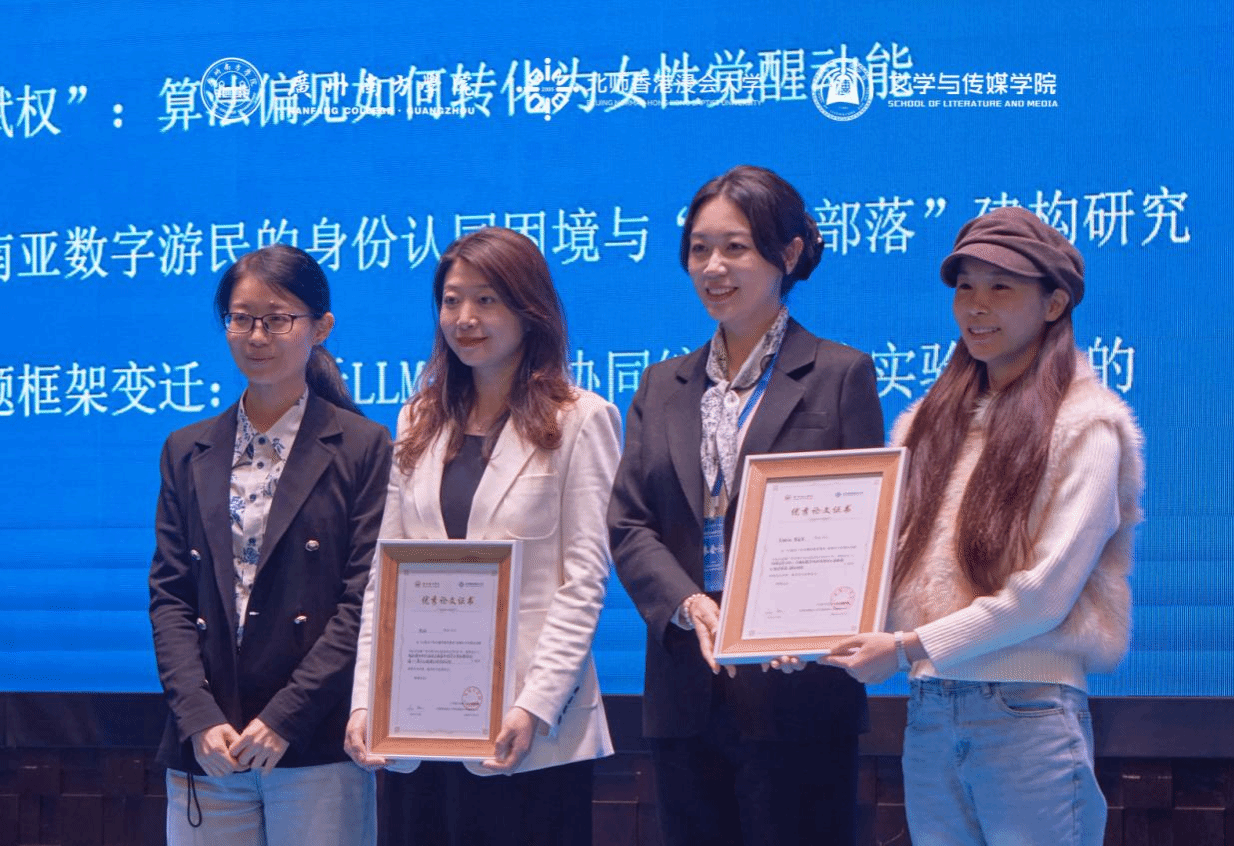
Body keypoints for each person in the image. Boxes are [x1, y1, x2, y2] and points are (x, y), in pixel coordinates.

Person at [824, 206, 1145, 845]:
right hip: (931, 710)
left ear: (1055, 303)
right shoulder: (923, 426)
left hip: (1028, 710)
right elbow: (882, 565)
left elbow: (1044, 597)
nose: (977, 305)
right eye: (965, 287)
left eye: (1001, 287)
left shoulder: (1087, 426)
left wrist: (906, 648)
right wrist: (803, 633)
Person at [608, 165, 884, 846]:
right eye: (699, 249)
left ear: (788, 253)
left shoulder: (838, 374)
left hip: (798, 689)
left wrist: (811, 623)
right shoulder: (662, 386)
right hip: (685, 684)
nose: (713, 268)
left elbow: (861, 522)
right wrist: (687, 603)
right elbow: (630, 522)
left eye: (736, 248)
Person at [344, 227, 620, 846]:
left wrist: (534, 705)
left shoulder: (581, 419)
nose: (465, 318)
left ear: (529, 309)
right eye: (451, 300)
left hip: (529, 732)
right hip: (418, 721)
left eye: (487, 300)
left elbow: (584, 582)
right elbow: (384, 581)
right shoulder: (418, 419)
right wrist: (367, 702)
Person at [149, 243, 392, 845]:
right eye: (241, 318)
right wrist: (197, 716)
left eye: (278, 319)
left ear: (320, 328)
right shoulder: (188, 449)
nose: (257, 336)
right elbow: (171, 597)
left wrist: (285, 718)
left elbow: (362, 602)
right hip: (211, 745)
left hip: (315, 739)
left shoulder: (362, 446)